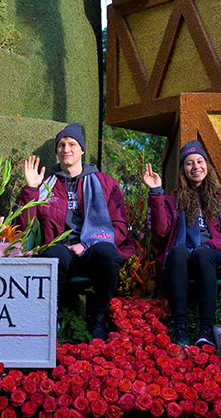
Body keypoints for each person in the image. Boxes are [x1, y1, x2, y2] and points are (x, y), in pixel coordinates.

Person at [17, 123, 134, 340]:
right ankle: (53, 318)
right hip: (62, 250)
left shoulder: (106, 184)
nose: (66, 149)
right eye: (61, 145)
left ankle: (99, 315)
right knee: (54, 256)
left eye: (72, 144)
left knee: (107, 253)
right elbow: (26, 228)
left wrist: (88, 243)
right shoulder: (46, 185)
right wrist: (31, 190)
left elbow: (119, 228)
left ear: (81, 150)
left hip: (92, 250)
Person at [142, 140, 221, 347]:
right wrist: (156, 192)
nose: (195, 167)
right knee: (177, 251)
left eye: (199, 161)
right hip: (182, 262)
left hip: (216, 261)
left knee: (202, 254)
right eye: (189, 163)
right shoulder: (171, 201)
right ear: (183, 170)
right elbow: (160, 230)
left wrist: (209, 246)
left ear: (207, 166)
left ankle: (206, 330)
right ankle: (180, 328)